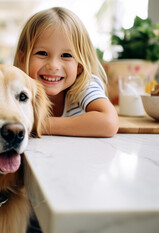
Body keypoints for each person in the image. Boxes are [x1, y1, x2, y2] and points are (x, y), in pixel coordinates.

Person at [13, 7, 119, 138]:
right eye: (42, 53)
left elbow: (109, 123)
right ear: (23, 59)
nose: (53, 66)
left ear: (79, 66)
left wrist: (39, 124)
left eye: (66, 55)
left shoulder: (84, 86)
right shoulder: (16, 92)